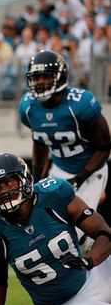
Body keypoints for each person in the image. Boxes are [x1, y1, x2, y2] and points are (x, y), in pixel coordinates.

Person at [0, 153, 111, 305]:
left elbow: (104, 232)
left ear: (25, 179)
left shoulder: (54, 194)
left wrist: (89, 261)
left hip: (93, 278)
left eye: (9, 183)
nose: (3, 191)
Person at [19, 50, 111, 251]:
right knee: (49, 225)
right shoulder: (28, 107)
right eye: (36, 77)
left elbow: (104, 147)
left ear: (59, 77)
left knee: (76, 232)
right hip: (59, 169)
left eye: (46, 76)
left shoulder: (80, 104)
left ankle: (92, 252)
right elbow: (40, 141)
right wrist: (36, 177)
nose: (41, 82)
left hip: (90, 170)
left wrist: (80, 177)